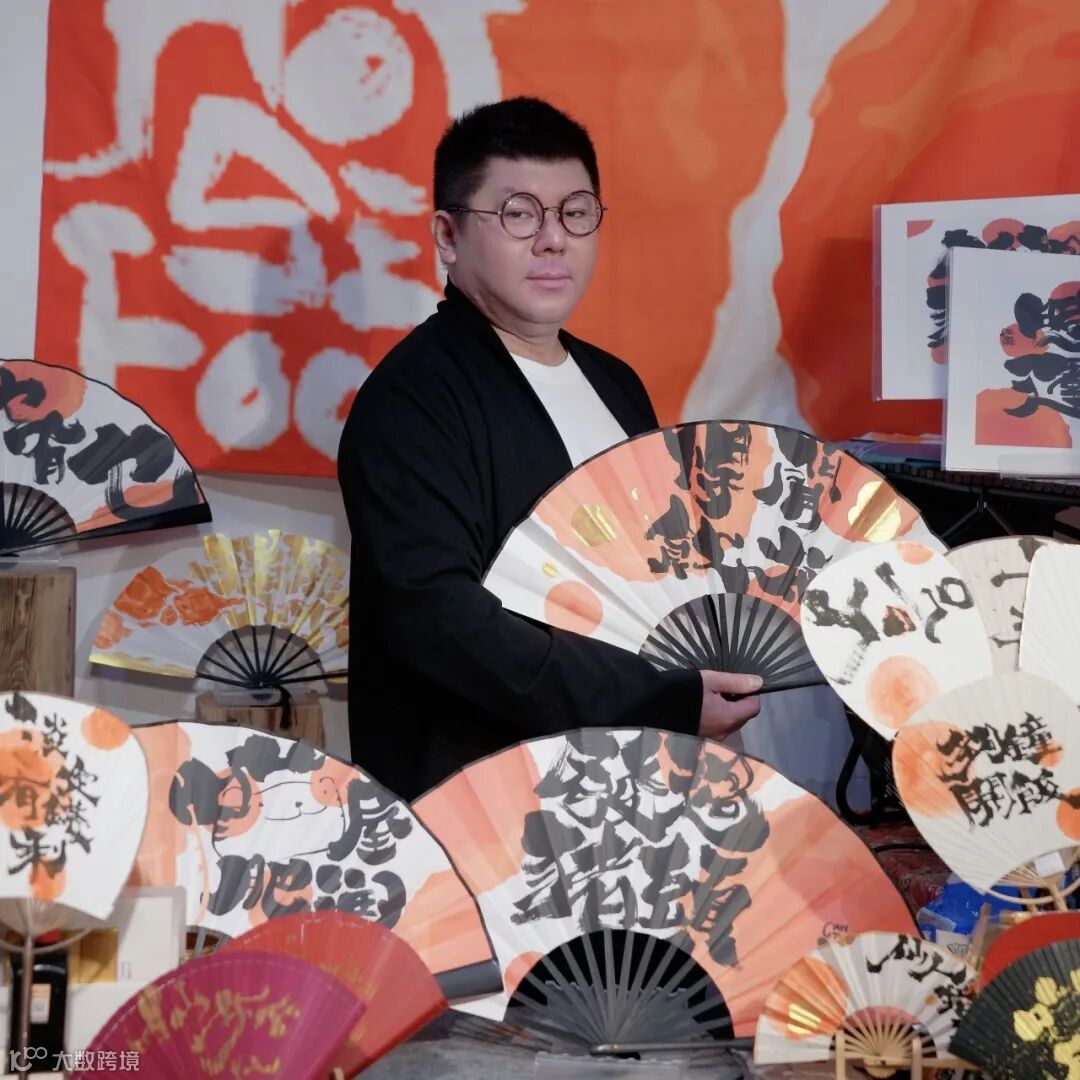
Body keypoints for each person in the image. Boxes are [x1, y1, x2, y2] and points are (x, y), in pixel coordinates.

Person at [338, 97, 760, 800]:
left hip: (632, 786)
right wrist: (653, 698)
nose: (553, 239)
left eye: (575, 212)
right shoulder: (412, 399)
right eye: (519, 214)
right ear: (448, 235)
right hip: (490, 802)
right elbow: (438, 621)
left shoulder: (615, 383)